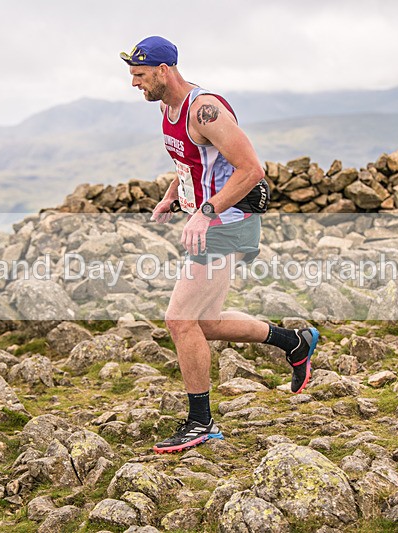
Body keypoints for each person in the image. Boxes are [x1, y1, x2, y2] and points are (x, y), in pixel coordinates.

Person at [121, 36, 320, 454]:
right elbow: (190, 162)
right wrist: (173, 195)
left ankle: (202, 422)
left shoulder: (205, 110)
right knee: (204, 323)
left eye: (139, 75)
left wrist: (205, 211)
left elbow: (252, 170)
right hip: (209, 223)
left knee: (179, 320)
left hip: (226, 224)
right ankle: (294, 342)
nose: (134, 83)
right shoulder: (167, 107)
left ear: (163, 70)